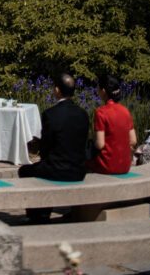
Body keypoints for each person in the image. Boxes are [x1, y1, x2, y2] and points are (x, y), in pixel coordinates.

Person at [18, 71, 89, 221]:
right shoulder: (83, 114)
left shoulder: (51, 114)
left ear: (57, 90)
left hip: (57, 167)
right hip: (79, 168)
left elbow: (46, 146)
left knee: (25, 171)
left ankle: (38, 214)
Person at [86, 74, 137, 175]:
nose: (97, 91)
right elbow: (133, 141)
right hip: (125, 165)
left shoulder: (101, 112)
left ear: (104, 91)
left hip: (107, 166)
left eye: (98, 89)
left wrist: (93, 139)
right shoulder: (125, 110)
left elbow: (100, 145)